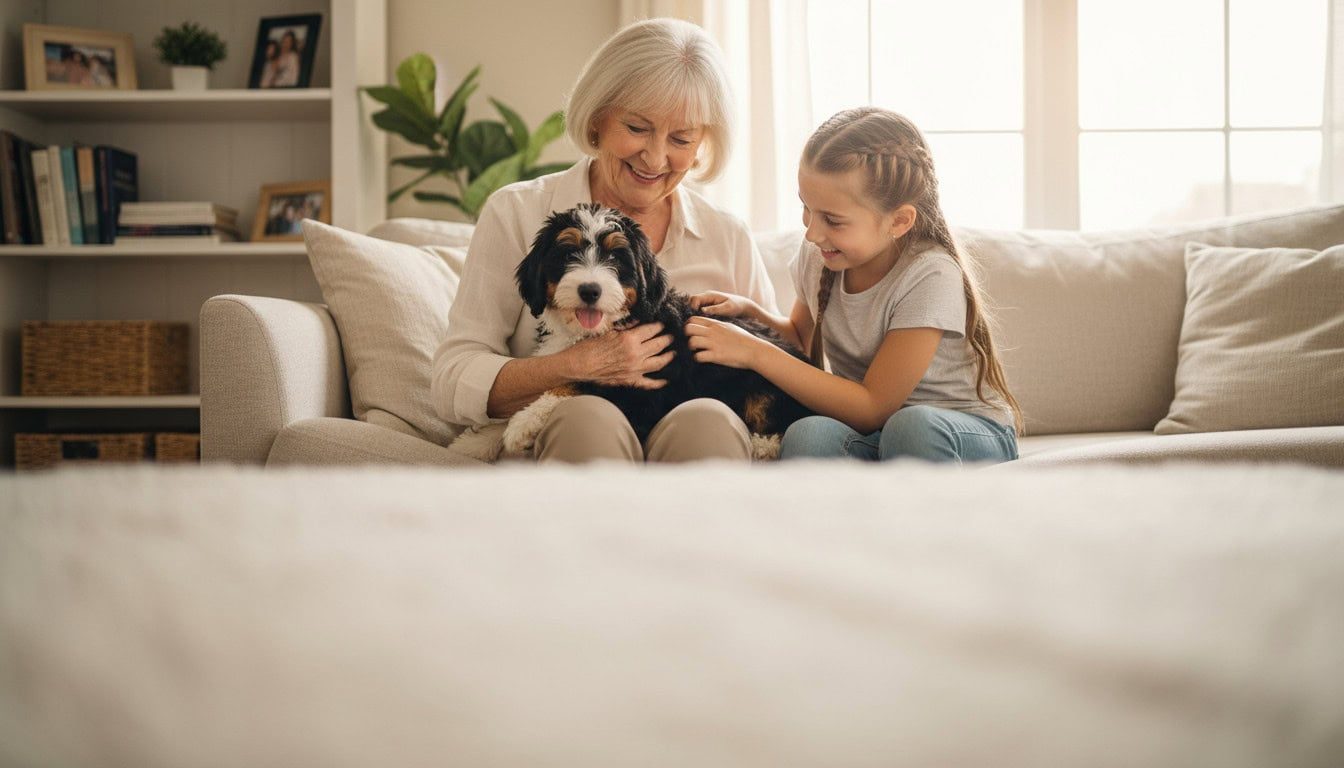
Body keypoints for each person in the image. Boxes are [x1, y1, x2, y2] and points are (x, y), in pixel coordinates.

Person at [432, 18, 777, 464]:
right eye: (636, 127)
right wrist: (577, 366)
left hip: (696, 428)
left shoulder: (727, 235)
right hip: (573, 429)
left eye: (680, 138)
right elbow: (452, 379)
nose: (654, 157)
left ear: (702, 145)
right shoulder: (516, 213)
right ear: (597, 120)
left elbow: (772, 361)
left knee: (707, 420)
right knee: (586, 417)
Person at [683, 107, 1022, 465]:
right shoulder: (822, 255)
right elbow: (800, 340)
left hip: (963, 429)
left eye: (832, 219)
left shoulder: (930, 275)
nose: (812, 232)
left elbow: (872, 406)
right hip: (880, 432)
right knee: (808, 434)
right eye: (806, 208)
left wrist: (754, 351)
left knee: (912, 427)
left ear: (899, 221)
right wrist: (750, 314)